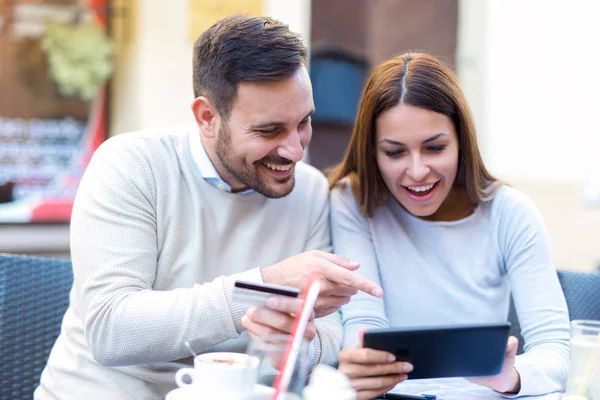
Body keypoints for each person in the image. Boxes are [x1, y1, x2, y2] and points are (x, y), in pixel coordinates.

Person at [35, 15, 382, 400]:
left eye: (304, 122)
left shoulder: (312, 192)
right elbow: (111, 329)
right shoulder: (130, 165)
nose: (296, 151)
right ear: (206, 118)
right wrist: (264, 286)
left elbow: (330, 330)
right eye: (269, 130)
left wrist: (300, 346)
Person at [328, 52, 570, 400]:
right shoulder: (353, 201)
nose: (417, 171)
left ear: (461, 141)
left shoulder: (510, 213)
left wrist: (510, 376)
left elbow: (555, 347)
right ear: (372, 152)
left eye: (435, 148)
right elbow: (364, 325)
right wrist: (362, 366)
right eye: (395, 152)